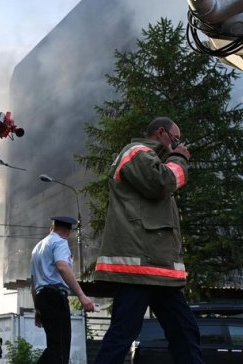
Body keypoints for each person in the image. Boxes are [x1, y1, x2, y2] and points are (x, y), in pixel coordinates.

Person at [93, 117, 203, 364]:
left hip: (159, 268)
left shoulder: (151, 160)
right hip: (140, 267)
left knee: (185, 333)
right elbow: (160, 183)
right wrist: (180, 158)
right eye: (176, 139)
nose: (178, 145)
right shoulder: (136, 152)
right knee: (122, 335)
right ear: (161, 133)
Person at [31, 216, 95, 364]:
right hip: (55, 298)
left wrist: (37, 309)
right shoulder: (60, 242)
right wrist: (82, 296)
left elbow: (33, 282)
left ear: (52, 228)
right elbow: (62, 267)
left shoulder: (37, 247)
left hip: (42, 298)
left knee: (54, 346)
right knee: (60, 349)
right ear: (68, 231)